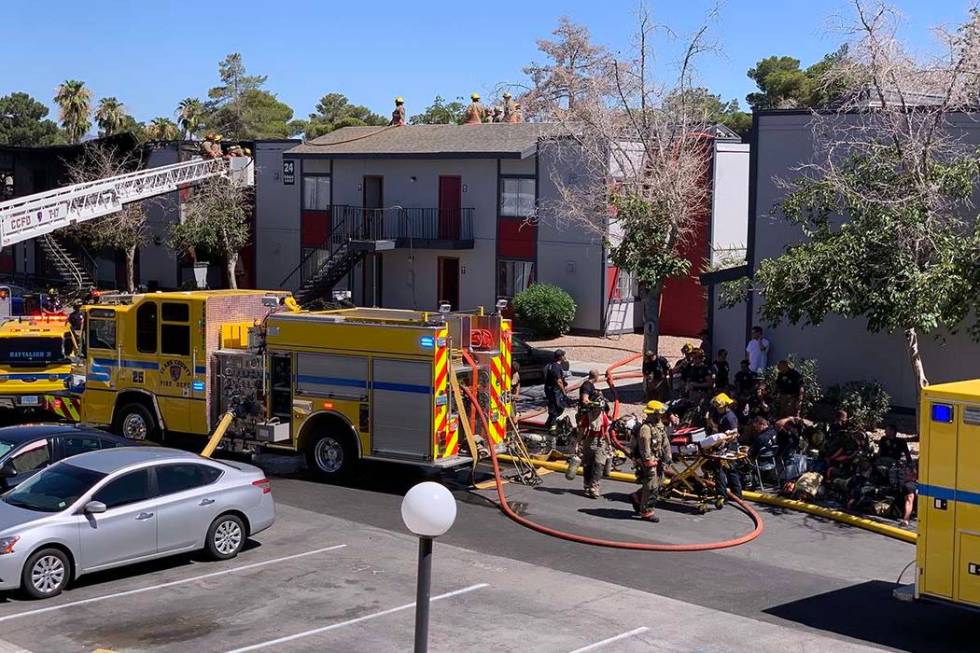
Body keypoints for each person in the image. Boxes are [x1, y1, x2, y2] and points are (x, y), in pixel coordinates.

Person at [629, 400, 672, 522]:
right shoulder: (645, 429)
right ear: (654, 413)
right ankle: (646, 511)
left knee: (658, 483)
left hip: (658, 460)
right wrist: (648, 460)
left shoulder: (659, 426)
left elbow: (665, 443)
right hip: (649, 461)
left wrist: (668, 457)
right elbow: (644, 446)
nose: (661, 415)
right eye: (659, 413)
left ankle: (637, 497)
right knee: (652, 486)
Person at [578, 369, 610, 499]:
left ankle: (594, 487)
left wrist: (609, 445)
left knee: (599, 465)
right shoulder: (588, 417)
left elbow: (606, 431)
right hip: (589, 441)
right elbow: (582, 430)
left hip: (600, 441)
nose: (598, 410)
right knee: (588, 465)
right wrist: (578, 443)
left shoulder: (603, 417)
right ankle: (587, 485)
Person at [543, 349, 567, 432]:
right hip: (554, 391)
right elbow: (559, 381)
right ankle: (552, 427)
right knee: (556, 408)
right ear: (560, 357)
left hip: (552, 389)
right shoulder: (556, 367)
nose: (564, 356)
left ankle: (548, 423)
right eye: (563, 355)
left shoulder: (553, 365)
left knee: (556, 407)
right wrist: (564, 392)